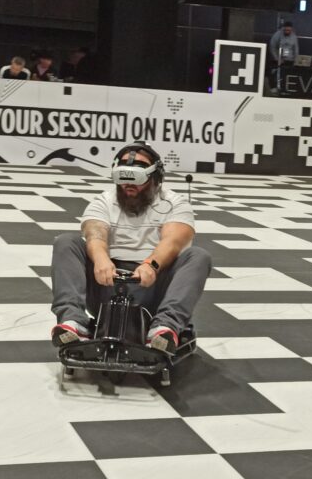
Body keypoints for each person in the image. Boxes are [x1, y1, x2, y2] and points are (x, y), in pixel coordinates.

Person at [50, 143, 212, 354]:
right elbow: (95, 234)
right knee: (66, 242)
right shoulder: (104, 201)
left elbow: (172, 242)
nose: (129, 186)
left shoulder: (175, 204)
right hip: (106, 284)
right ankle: (73, 321)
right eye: (124, 179)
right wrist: (101, 259)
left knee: (198, 256)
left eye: (137, 180)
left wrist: (151, 265)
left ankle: (165, 326)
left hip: (153, 286)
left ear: (155, 178)